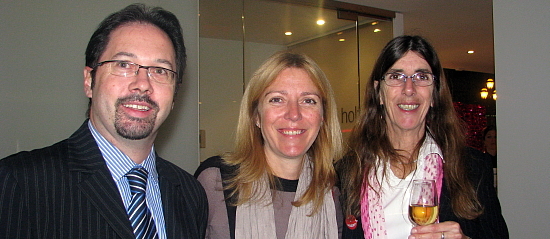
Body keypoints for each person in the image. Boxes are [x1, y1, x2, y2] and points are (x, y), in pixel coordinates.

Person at [0, 4, 207, 238]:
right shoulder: (22, 182)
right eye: (124, 65)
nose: (142, 83)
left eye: (160, 70)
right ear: (89, 81)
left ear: (175, 94)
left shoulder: (190, 194)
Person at [336, 36, 508, 239]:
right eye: (396, 77)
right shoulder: (346, 172)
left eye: (422, 77)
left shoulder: (473, 167)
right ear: (379, 93)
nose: (409, 89)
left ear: (435, 94)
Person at [194, 52, 344, 239]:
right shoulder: (216, 181)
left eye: (308, 101)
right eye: (277, 99)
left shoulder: (335, 191)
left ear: (323, 117)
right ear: (256, 115)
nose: (294, 114)